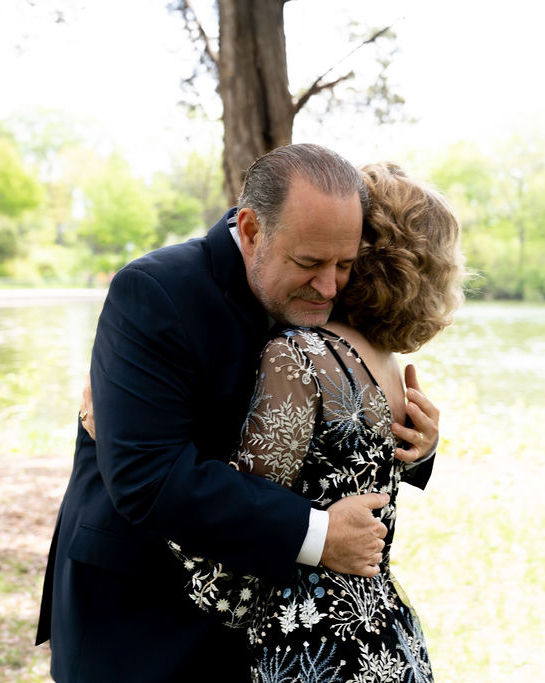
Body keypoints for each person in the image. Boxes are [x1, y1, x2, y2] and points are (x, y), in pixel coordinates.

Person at [36, 144, 441, 682]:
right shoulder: (155, 291)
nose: (329, 285)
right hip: (140, 609)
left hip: (262, 616)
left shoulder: (323, 285)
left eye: (345, 265)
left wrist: (417, 446)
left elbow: (335, 428)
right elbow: (145, 477)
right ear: (251, 231)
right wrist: (318, 534)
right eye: (310, 264)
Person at [168, 161, 466, 681]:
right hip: (390, 642)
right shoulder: (391, 366)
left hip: (315, 652)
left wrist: (130, 451)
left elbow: (231, 571)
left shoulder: (300, 357)